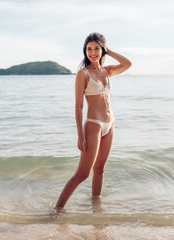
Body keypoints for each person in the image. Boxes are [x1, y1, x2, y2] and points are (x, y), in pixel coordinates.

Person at [55, 32, 131, 210]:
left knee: (100, 169)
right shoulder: (83, 74)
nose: (93, 52)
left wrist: (109, 51)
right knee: (83, 174)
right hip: (93, 125)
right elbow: (79, 106)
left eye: (97, 48)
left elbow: (128, 64)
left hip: (110, 123)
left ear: (102, 49)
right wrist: (80, 135)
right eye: (89, 49)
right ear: (85, 51)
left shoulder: (107, 71)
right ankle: (56, 210)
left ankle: (96, 210)